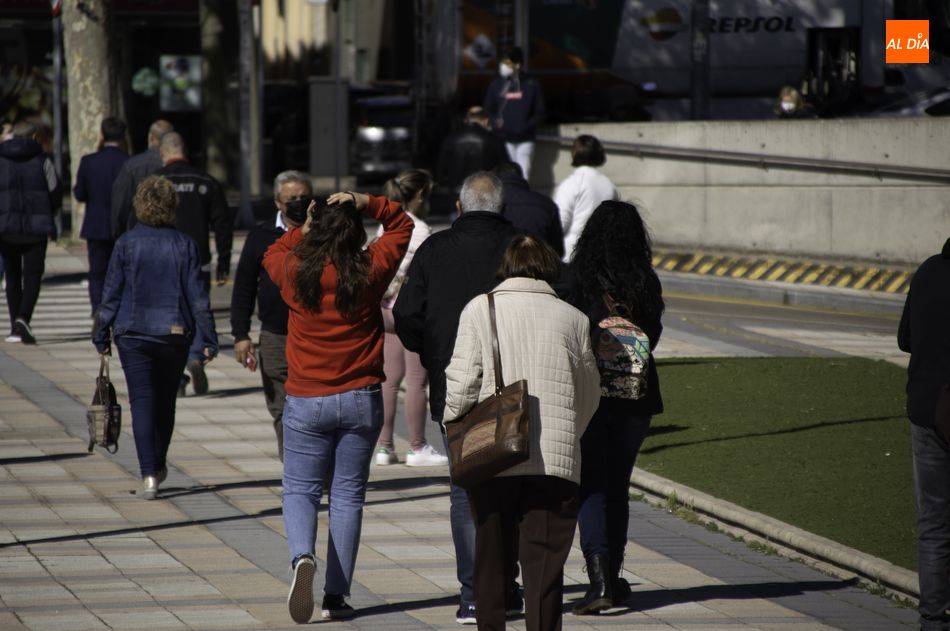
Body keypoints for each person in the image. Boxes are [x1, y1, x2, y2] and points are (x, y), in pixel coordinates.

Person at [263, 190, 413, 623]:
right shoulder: (369, 268)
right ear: (355, 235)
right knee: (348, 497)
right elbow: (402, 224)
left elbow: (273, 250)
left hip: (307, 397)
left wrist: (303, 229)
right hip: (361, 397)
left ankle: (301, 558)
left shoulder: (294, 270)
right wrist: (366, 200)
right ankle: (336, 595)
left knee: (300, 490)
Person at [444, 235, 600, 631]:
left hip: (495, 456)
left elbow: (462, 384)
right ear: (549, 269)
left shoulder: (480, 309)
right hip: (555, 462)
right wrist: (569, 433)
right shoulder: (575, 318)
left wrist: (453, 426)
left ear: (506, 268)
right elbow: (589, 394)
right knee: (545, 569)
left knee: (492, 562)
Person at [393, 172, 521, 624]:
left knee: (465, 491)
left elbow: (407, 314)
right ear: (502, 209)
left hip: (456, 385)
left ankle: (473, 595)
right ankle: (506, 587)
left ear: (460, 209)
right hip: (517, 385)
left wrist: (431, 349)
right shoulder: (522, 246)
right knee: (511, 489)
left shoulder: (436, 249)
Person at [561, 200, 664, 614]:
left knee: (591, 484)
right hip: (636, 397)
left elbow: (567, 331)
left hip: (592, 393)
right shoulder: (646, 280)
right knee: (618, 485)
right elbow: (651, 336)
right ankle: (614, 576)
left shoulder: (576, 278)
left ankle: (599, 577)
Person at [93, 176, 218, 500]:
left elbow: (111, 293)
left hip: (132, 332)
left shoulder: (126, 243)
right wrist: (208, 335)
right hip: (173, 333)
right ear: (172, 206)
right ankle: (157, 462)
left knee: (142, 402)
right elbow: (198, 298)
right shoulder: (184, 244)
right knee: (166, 401)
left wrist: (101, 331)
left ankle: (149, 472)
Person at [231, 170, 312, 462]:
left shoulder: (325, 233)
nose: (299, 203)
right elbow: (243, 287)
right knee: (282, 408)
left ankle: (315, 467)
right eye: (292, 199)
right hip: (276, 335)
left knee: (314, 405)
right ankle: (294, 468)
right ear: (278, 203)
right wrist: (241, 335)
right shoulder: (262, 236)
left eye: (304, 197)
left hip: (316, 336)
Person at [374, 169, 448, 467]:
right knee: (416, 382)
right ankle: (417, 447)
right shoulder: (420, 231)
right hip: (410, 313)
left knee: (388, 382)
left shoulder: (385, 227)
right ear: (419, 196)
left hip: (383, 311)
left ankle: (384, 447)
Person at [151, 132, 232, 396]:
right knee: (197, 310)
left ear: (163, 153)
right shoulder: (205, 181)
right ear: (185, 150)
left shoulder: (156, 183)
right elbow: (222, 224)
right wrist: (224, 261)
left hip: (164, 260)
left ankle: (177, 372)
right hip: (199, 259)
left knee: (171, 318)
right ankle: (196, 356)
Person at [898, 237, 950, 631]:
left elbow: (905, 339)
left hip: (928, 408)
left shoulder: (929, 271)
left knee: (933, 521)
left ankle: (932, 618)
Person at [0, 121, 60, 344]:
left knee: (12, 276)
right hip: (36, 228)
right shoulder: (43, 160)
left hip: (6, 228)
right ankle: (24, 318)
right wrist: (48, 213)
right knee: (33, 275)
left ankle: (15, 324)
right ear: (34, 137)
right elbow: (55, 192)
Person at [73, 117, 129, 314]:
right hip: (123, 225)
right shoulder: (129, 162)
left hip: (96, 224)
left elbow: (79, 193)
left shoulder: (89, 162)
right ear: (123, 137)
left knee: (97, 272)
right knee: (122, 271)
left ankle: (98, 309)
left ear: (102, 135)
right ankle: (118, 309)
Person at [483, 47, 545, 180]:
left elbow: (539, 112)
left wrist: (526, 126)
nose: (504, 67)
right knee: (505, 175)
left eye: (508, 63)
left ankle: (523, 198)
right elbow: (489, 109)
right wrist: (495, 123)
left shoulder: (531, 84)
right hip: (503, 139)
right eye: (503, 63)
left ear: (518, 65)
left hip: (525, 139)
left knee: (523, 173)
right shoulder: (497, 84)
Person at [555, 135, 617, 262]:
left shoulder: (571, 183)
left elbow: (560, 223)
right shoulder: (609, 185)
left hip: (571, 254)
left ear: (575, 153)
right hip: (600, 254)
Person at [111, 119, 173, 238]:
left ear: (151, 138)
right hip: (169, 234)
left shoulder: (132, 166)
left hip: (137, 233)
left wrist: (118, 234)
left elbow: (120, 205)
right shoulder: (177, 166)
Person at [493, 161, 564, 258]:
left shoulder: (490, 201)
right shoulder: (546, 204)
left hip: (498, 265)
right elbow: (558, 250)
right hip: (536, 265)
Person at [436, 106, 508, 197]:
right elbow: (504, 167)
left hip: (456, 191)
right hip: (484, 192)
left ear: (467, 120)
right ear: (486, 121)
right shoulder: (494, 140)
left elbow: (441, 168)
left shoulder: (451, 139)